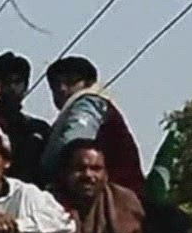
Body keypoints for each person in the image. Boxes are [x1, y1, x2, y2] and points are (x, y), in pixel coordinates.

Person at [42, 55, 145, 197]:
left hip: (113, 198)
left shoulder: (89, 102)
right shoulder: (82, 108)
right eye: (56, 84)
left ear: (88, 83)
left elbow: (74, 143)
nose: (62, 88)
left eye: (70, 81)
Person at [56, 139, 145, 233]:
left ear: (106, 174)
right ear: (64, 172)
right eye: (79, 168)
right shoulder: (48, 203)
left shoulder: (124, 200)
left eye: (96, 169)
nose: (88, 175)